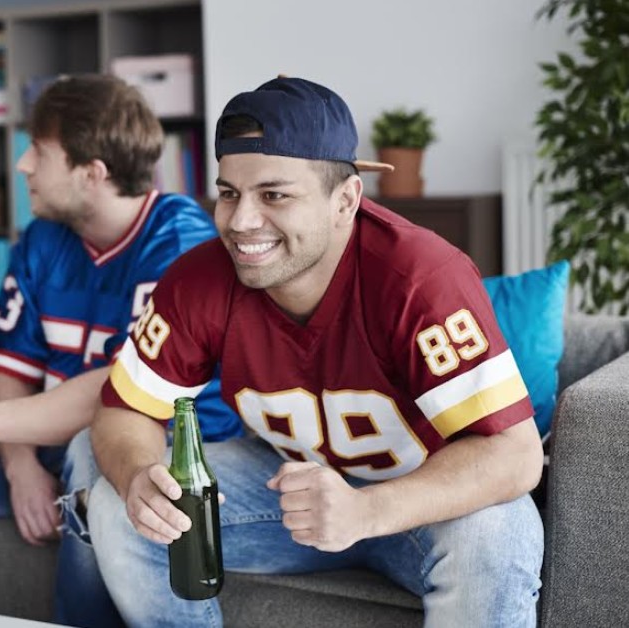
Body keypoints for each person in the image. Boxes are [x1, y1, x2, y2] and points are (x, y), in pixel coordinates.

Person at [88, 76, 545, 628]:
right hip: (287, 491)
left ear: (346, 200)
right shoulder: (199, 279)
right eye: (229, 193)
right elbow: (125, 411)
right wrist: (139, 475)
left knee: (498, 528)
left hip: (425, 506)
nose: (240, 221)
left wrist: (365, 510)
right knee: (117, 505)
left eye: (274, 195)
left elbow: (514, 455)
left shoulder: (419, 277)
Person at [0, 74, 242, 626]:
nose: (23, 166)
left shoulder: (180, 243)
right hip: (44, 441)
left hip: (142, 451)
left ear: (92, 174)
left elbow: (119, 394)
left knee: (90, 454)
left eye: (39, 152)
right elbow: (10, 363)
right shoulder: (42, 238)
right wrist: (17, 465)